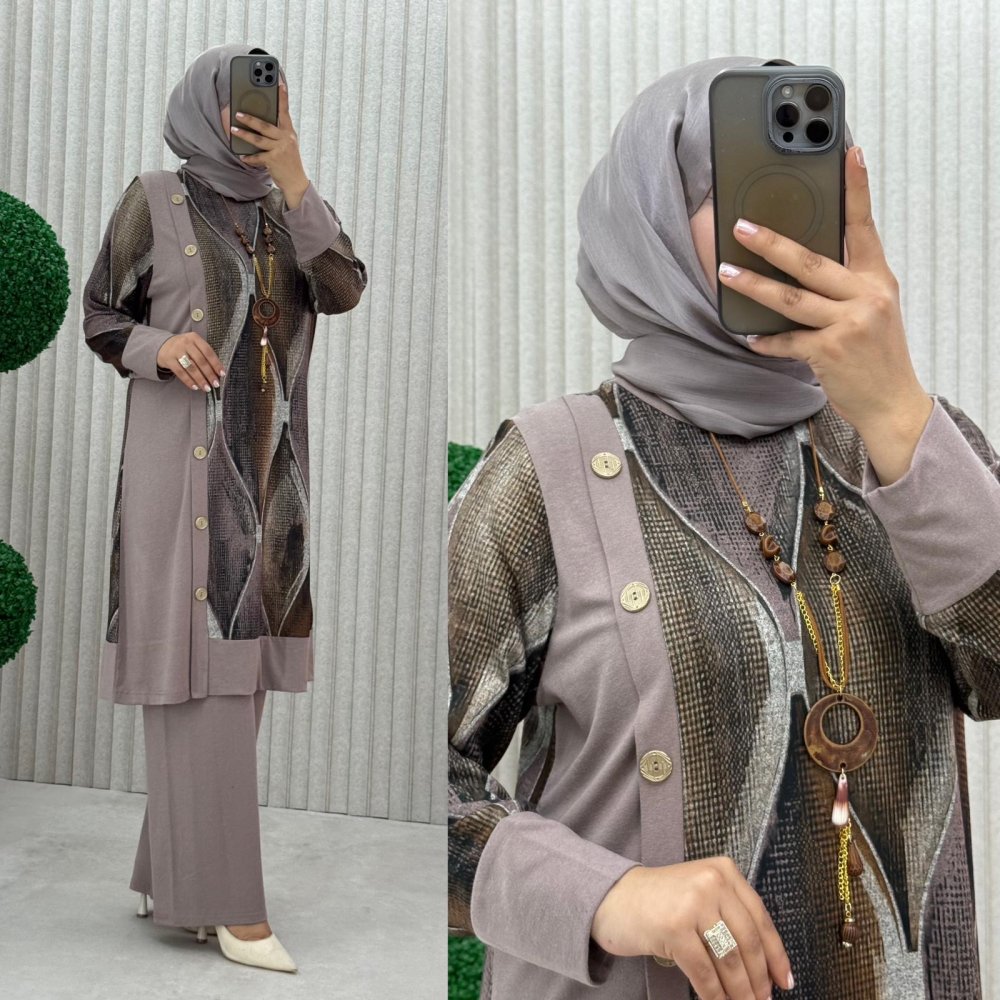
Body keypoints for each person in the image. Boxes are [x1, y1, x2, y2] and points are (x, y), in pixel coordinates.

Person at [448, 55, 1000, 1000]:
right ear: (652, 220)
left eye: (813, 180)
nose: (789, 215)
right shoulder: (545, 472)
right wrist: (608, 895)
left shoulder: (916, 443)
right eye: (740, 183)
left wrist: (898, 412)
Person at [82, 43, 366, 972]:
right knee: (203, 680)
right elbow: (101, 315)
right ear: (207, 107)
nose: (260, 116)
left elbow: (343, 290)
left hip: (269, 484)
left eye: (274, 103)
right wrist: (160, 350)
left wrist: (296, 177)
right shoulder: (155, 198)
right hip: (181, 483)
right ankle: (231, 907)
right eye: (246, 102)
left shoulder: (289, 214)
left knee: (236, 681)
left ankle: (169, 877)